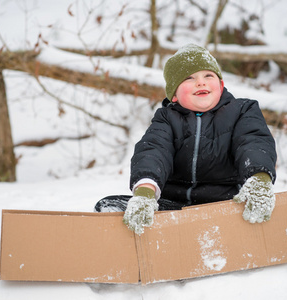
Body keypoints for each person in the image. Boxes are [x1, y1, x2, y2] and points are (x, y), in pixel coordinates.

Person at [94, 44, 277, 235]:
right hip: (175, 206)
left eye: (208, 76)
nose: (201, 82)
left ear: (221, 85)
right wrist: (145, 194)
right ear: (174, 94)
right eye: (189, 78)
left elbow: (254, 142)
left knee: (255, 209)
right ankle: (151, 229)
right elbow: (154, 150)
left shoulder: (242, 111)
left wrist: (259, 179)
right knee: (108, 205)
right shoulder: (166, 119)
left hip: (227, 204)